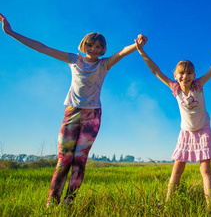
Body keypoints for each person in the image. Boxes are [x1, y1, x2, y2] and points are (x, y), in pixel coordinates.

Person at [0, 13, 142, 206]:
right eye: (90, 45)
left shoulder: (103, 64)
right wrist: (10, 32)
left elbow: (122, 52)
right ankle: (53, 200)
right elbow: (42, 48)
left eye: (98, 46)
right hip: (72, 112)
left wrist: (137, 45)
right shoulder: (74, 60)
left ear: (103, 49)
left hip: (92, 116)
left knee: (79, 159)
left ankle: (69, 201)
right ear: (84, 45)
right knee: (64, 158)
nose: (94, 49)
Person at [135, 35, 211, 207]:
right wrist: (141, 50)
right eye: (181, 73)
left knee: (205, 170)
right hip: (186, 132)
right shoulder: (174, 88)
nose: (185, 76)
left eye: (189, 73)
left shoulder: (198, 85)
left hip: (203, 129)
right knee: (177, 168)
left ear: (194, 75)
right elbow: (155, 71)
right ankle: (168, 202)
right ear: (175, 75)